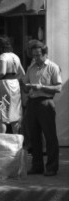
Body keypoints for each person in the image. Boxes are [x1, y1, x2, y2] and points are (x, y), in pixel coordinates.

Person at [22, 41, 61, 176]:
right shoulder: (31, 67)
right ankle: (37, 166)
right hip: (32, 103)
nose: (35, 58)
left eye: (38, 55)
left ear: (45, 54)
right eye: (33, 56)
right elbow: (26, 85)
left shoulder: (52, 67)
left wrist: (42, 87)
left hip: (46, 103)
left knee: (50, 136)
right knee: (34, 137)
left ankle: (51, 167)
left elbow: (58, 87)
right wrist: (26, 86)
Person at [0, 35, 25, 134]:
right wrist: (14, 79)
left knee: (2, 115)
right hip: (15, 85)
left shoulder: (2, 56)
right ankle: (16, 143)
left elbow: (2, 72)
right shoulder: (15, 56)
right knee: (15, 114)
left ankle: (2, 142)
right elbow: (22, 73)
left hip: (4, 84)